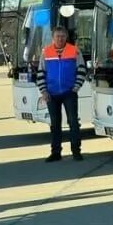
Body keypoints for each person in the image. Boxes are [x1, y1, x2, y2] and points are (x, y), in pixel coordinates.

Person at [37, 25, 86, 162]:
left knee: (73, 122)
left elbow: (81, 69)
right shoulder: (46, 52)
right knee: (55, 124)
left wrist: (76, 87)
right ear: (53, 38)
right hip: (51, 94)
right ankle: (56, 152)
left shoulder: (74, 51)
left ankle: (76, 151)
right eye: (57, 36)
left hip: (69, 92)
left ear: (66, 37)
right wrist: (43, 91)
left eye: (62, 36)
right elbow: (41, 73)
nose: (60, 39)